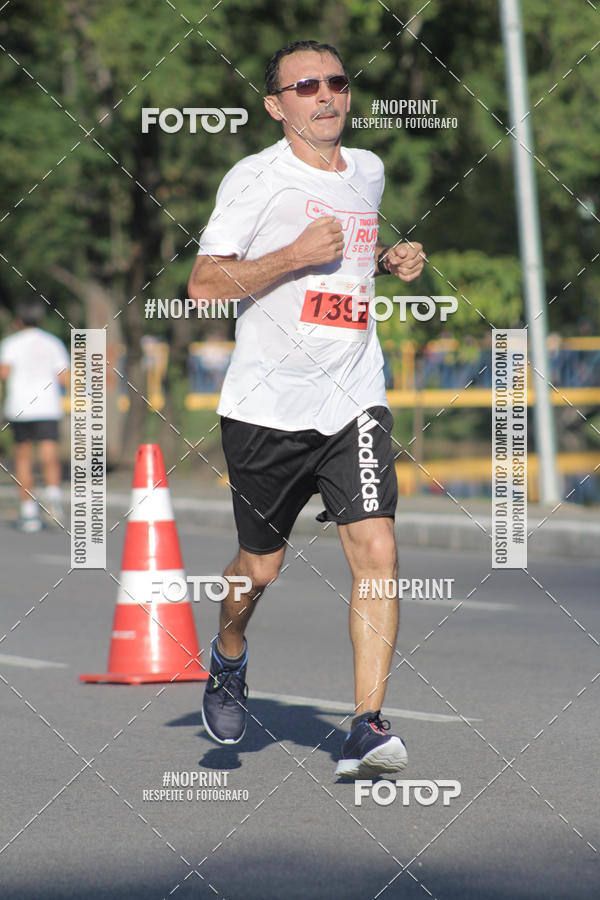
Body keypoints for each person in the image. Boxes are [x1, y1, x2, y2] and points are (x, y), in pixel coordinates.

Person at [188, 40, 425, 778]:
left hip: (354, 393)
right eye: (305, 86)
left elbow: (354, 256)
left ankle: (365, 725)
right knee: (259, 570)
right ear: (276, 105)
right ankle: (229, 657)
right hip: (267, 406)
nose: (325, 96)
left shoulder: (370, 171)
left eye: (337, 82)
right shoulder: (254, 178)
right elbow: (203, 286)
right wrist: (292, 254)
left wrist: (388, 261)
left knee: (378, 548)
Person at [0, 299, 70, 531]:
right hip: (48, 406)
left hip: (20, 407)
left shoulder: (11, 343)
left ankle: (28, 512)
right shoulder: (53, 343)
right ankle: (54, 501)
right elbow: (64, 378)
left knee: (23, 458)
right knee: (49, 456)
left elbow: (4, 373)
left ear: (19, 321)